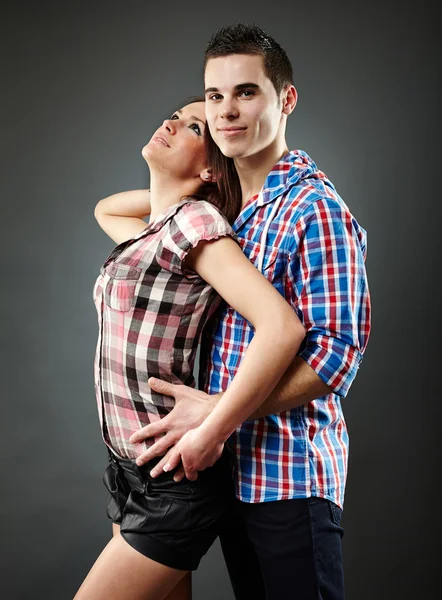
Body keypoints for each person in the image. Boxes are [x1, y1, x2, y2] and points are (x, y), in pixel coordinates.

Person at [130, 24, 371, 600]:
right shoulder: (229, 209)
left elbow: (337, 356)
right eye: (214, 96)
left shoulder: (316, 209)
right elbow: (126, 211)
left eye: (246, 93)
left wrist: (219, 413)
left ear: (285, 99)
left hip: (290, 479)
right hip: (230, 477)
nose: (225, 112)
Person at [74, 97, 305, 600]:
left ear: (209, 168)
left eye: (192, 126)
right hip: (130, 472)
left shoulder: (194, 224)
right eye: (174, 116)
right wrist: (166, 199)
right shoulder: (159, 234)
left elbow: (281, 327)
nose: (170, 123)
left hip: (172, 481)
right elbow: (105, 208)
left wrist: (214, 194)